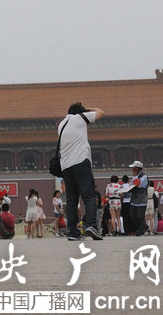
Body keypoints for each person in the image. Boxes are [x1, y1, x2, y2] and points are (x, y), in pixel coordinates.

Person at [58, 102, 105, 241]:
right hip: (81, 162)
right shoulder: (80, 118)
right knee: (89, 196)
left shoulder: (61, 124)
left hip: (66, 165)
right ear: (80, 112)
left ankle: (73, 231)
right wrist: (87, 109)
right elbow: (101, 111)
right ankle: (91, 225)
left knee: (72, 200)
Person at [126, 161, 149, 237]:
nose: (132, 169)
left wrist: (135, 176)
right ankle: (144, 226)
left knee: (141, 216)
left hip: (141, 200)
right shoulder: (135, 176)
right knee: (132, 215)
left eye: (133, 167)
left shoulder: (144, 177)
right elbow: (131, 185)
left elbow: (136, 184)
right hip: (134, 200)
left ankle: (141, 230)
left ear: (137, 168)